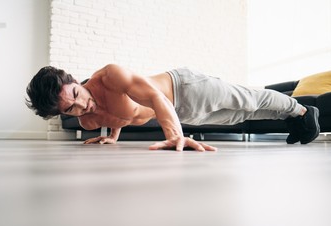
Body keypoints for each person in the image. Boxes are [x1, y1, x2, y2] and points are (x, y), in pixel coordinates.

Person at [26, 64, 320, 152]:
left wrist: (175, 135)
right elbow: (119, 113)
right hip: (181, 114)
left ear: (76, 80)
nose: (84, 105)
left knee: (249, 100)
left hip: (185, 89)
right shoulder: (90, 123)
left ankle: (304, 112)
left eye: (77, 93)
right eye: (73, 109)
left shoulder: (111, 77)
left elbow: (155, 99)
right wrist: (113, 134)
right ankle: (292, 119)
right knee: (241, 115)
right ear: (63, 114)